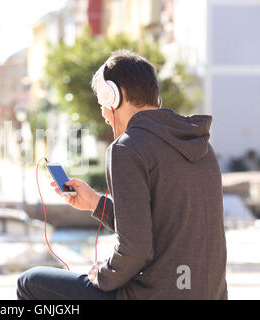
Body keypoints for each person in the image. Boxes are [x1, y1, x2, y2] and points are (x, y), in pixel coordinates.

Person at [16, 49, 228, 300]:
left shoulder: (127, 147)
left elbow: (136, 249)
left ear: (113, 96)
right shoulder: (200, 145)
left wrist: (103, 275)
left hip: (156, 294)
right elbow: (155, 229)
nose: (105, 115)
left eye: (102, 103)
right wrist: (95, 203)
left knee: (29, 282)